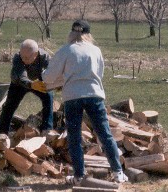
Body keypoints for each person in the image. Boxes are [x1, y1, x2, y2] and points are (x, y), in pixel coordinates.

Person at [42, 20, 128, 185]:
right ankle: (118, 172)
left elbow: (48, 77)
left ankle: (79, 176)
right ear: (88, 34)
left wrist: (60, 78)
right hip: (94, 94)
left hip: (72, 97)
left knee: (74, 137)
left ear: (72, 33)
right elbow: (99, 73)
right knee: (105, 134)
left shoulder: (66, 50)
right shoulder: (96, 50)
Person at [0, 39, 53, 135]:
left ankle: (47, 129)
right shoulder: (18, 58)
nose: (24, 60)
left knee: (48, 98)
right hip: (19, 83)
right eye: (22, 56)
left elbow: (52, 73)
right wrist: (31, 84)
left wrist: (51, 84)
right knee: (9, 106)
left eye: (27, 57)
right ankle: (2, 132)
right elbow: (21, 76)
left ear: (35, 54)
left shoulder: (45, 57)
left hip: (38, 82)